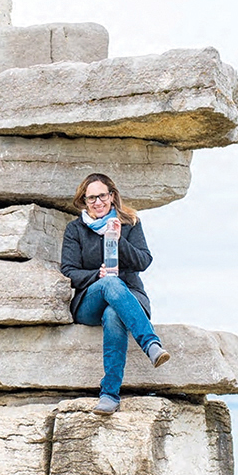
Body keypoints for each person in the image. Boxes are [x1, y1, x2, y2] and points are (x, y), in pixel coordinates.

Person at [60, 173, 170, 415]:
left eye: (102, 196)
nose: (97, 202)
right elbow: (68, 270)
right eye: (91, 198)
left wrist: (119, 240)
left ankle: (109, 395)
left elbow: (143, 261)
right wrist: (95, 276)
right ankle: (151, 344)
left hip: (129, 296)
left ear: (111, 196)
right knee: (110, 283)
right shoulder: (75, 229)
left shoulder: (130, 223)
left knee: (113, 315)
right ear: (83, 201)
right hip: (91, 299)